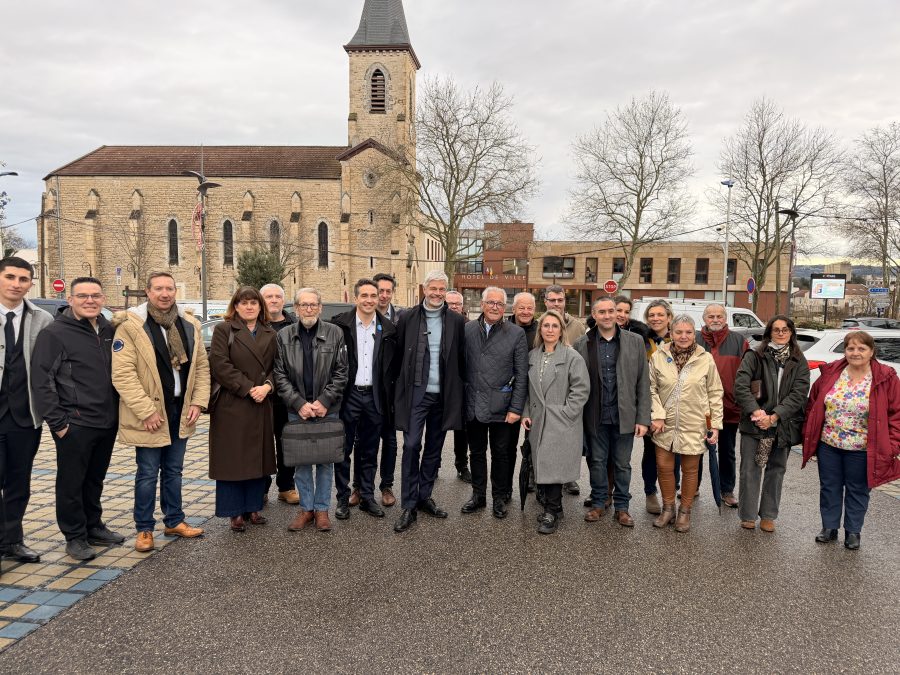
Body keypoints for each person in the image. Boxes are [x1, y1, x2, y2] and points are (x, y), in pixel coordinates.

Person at [111, 272, 210, 552]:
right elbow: (123, 374)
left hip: (181, 409)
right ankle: (144, 529)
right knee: (147, 472)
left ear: (175, 291)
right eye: (158, 289)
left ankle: (174, 520)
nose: (164, 293)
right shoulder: (132, 326)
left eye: (169, 288)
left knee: (174, 471)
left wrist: (198, 402)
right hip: (150, 413)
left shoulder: (189, 324)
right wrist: (146, 411)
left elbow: (201, 367)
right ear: (148, 292)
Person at [31, 277, 121, 561]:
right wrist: (58, 423)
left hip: (106, 420)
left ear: (103, 298)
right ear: (70, 300)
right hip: (75, 423)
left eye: (95, 295)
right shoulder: (55, 333)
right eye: (83, 296)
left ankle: (93, 525)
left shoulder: (109, 329)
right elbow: (41, 381)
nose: (90, 300)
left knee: (95, 479)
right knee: (71, 483)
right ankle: (75, 536)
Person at [802, 331, 900, 550]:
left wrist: (892, 445)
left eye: (861, 348)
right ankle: (829, 527)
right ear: (845, 351)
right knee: (829, 487)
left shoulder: (886, 377)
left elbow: (897, 414)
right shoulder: (831, 373)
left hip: (864, 448)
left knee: (858, 489)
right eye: (851, 348)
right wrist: (811, 432)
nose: (855, 353)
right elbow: (814, 403)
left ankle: (853, 531)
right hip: (829, 444)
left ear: (871, 351)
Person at [392, 270, 466, 533]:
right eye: (432, 288)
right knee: (411, 446)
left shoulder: (457, 321)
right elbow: (398, 356)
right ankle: (408, 504)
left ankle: (424, 496)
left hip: (444, 395)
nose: (437, 293)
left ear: (446, 291)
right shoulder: (407, 318)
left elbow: (461, 358)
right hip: (416, 394)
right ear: (424, 289)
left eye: (441, 289)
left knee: (434, 449)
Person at [274, 288, 348, 533]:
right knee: (302, 461)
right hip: (298, 409)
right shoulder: (283, 336)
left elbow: (341, 371)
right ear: (295, 308)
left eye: (313, 305)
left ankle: (322, 510)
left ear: (320, 307)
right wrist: (299, 404)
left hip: (327, 408)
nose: (308, 309)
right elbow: (279, 375)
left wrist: (324, 401)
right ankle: (306, 509)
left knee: (326, 461)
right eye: (303, 305)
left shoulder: (335, 333)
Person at [574, 297, 650, 527]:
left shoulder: (635, 341)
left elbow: (643, 383)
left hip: (624, 415)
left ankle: (622, 508)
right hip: (594, 415)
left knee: (622, 464)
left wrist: (643, 418)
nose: (607, 316)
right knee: (597, 461)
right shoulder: (582, 343)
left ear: (618, 313)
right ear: (594, 315)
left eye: (611, 311)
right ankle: (598, 503)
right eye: (602, 312)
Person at [208, 287, 277, 533]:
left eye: (253, 303)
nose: (249, 307)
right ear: (235, 307)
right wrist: (249, 388)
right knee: (233, 460)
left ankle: (253, 507)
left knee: (257, 459)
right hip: (233, 404)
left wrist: (268, 386)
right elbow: (219, 365)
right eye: (243, 303)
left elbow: (278, 367)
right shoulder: (223, 330)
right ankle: (234, 511)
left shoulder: (270, 332)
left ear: (261, 307)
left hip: (261, 403)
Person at [0, 258, 54, 569]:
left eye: (23, 278)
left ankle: (12, 540)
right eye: (10, 276)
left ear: (30, 283)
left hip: (24, 415)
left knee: (19, 482)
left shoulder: (42, 319)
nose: (16, 283)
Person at [733, 315, 809, 533]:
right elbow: (741, 386)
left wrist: (774, 416)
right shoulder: (754, 355)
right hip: (754, 423)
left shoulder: (798, 359)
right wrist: (757, 413)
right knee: (751, 469)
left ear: (791, 333)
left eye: (785, 329)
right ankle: (747, 515)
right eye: (776, 330)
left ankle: (768, 515)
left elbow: (799, 393)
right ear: (769, 333)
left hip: (783, 424)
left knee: (776, 470)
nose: (781, 333)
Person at [648, 314, 723, 533]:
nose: (683, 336)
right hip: (665, 423)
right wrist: (657, 414)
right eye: (678, 332)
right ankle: (668, 508)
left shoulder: (705, 358)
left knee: (690, 470)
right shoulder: (659, 356)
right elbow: (650, 388)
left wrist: (715, 425)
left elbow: (715, 392)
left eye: (688, 332)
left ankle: (685, 511)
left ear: (694, 333)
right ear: (670, 332)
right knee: (663, 467)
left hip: (695, 422)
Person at [330, 279, 397, 519]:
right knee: (343, 449)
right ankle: (342, 498)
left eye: (373, 295)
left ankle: (367, 496)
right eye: (365, 295)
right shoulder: (340, 326)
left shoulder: (388, 329)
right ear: (356, 298)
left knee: (369, 450)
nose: (369, 300)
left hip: (374, 398)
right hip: (349, 396)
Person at [460, 287, 528, 519]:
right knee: (476, 452)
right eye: (491, 302)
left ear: (505, 307)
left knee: (501, 454)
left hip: (502, 407)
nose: (495, 307)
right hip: (473, 404)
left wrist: (516, 408)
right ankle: (478, 495)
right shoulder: (466, 329)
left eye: (500, 303)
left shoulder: (516, 333)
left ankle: (499, 498)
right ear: (482, 304)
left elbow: (521, 374)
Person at [522, 310, 590, 533]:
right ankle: (553, 507)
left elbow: (581, 390)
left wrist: (567, 412)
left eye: (554, 326)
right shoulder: (533, 356)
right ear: (540, 330)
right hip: (538, 420)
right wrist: (525, 413)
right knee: (541, 462)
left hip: (561, 420)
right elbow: (526, 390)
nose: (550, 330)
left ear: (561, 331)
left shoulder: (571, 357)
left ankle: (552, 511)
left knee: (554, 465)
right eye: (546, 326)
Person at [698, 304, 749, 509]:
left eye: (719, 316)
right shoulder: (695, 339)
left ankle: (727, 490)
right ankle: (692, 487)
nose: (715, 319)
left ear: (726, 318)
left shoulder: (738, 341)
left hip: (729, 407)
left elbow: (748, 374)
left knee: (727, 451)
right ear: (705, 318)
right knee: (695, 450)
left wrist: (745, 401)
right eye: (711, 316)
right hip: (698, 408)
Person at [543, 284, 585, 496]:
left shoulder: (577, 326)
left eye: (560, 300)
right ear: (546, 302)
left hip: (568, 392)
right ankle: (536, 475)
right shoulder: (540, 324)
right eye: (552, 300)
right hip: (545, 392)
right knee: (540, 440)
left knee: (568, 441)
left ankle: (568, 479)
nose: (556, 304)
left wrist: (572, 406)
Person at [259, 283, 299, 505]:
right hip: (262, 397)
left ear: (284, 301)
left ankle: (286, 486)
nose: (273, 300)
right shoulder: (254, 325)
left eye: (277, 297)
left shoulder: (294, 324)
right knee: (262, 444)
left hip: (287, 397)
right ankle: (261, 488)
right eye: (268, 296)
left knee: (287, 443)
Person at [640, 298, 673, 514]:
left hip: (676, 404)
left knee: (675, 450)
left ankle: (671, 493)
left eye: (660, 315)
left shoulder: (681, 338)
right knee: (651, 450)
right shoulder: (642, 341)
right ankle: (650, 492)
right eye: (651, 315)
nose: (655, 318)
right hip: (650, 402)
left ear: (669, 317)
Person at [372, 272, 401, 506]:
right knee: (364, 443)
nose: (383, 295)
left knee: (390, 442)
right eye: (379, 291)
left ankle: (387, 486)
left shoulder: (402, 319)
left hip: (391, 392)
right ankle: (360, 487)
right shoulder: (361, 317)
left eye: (387, 291)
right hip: (366, 391)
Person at [446, 290, 472, 483]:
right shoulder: (437, 324)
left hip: (462, 384)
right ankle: (433, 464)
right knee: (436, 427)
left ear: (462, 307)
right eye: (450, 303)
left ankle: (462, 465)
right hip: (441, 384)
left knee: (462, 429)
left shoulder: (468, 327)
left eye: (457, 303)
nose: (453, 306)